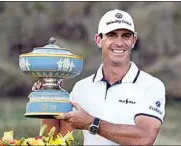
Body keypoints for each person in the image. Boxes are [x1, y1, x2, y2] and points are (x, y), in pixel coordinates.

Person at [32, 9, 166, 145]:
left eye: (126, 36)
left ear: (133, 40)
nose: (119, 42)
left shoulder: (151, 85)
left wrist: (91, 123)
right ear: (98, 40)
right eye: (111, 35)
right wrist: (48, 98)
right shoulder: (81, 88)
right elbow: (56, 139)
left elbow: (144, 139)